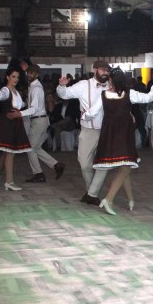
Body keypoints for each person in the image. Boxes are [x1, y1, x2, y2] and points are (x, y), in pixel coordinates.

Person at [83, 67, 153, 215]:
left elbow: (92, 112)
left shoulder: (105, 95)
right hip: (123, 135)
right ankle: (108, 200)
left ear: (111, 80)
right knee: (126, 167)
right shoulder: (129, 94)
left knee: (124, 167)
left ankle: (131, 199)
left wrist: (84, 116)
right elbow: (150, 97)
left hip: (110, 135)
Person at [56, 60, 112, 205]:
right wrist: (62, 86)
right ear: (95, 69)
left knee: (105, 163)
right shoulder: (83, 85)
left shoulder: (112, 85)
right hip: (88, 130)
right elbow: (65, 94)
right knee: (84, 163)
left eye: (107, 70)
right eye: (102, 69)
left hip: (107, 130)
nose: (105, 73)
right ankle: (90, 191)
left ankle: (92, 193)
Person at [9, 64, 65, 183]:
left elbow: (34, 109)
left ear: (37, 74)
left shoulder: (36, 88)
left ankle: (39, 174)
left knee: (29, 148)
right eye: (28, 73)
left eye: (31, 73)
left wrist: (19, 114)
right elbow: (31, 105)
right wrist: (21, 105)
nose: (28, 75)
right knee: (36, 148)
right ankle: (56, 165)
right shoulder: (34, 86)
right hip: (40, 120)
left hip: (39, 120)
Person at [0, 70, 32, 191]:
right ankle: (9, 181)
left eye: (17, 77)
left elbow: (20, 105)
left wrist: (27, 102)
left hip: (15, 123)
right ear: (8, 77)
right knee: (10, 152)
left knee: (6, 152)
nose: (16, 79)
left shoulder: (16, 91)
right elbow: (0, 95)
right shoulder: (6, 90)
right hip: (7, 123)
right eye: (13, 76)